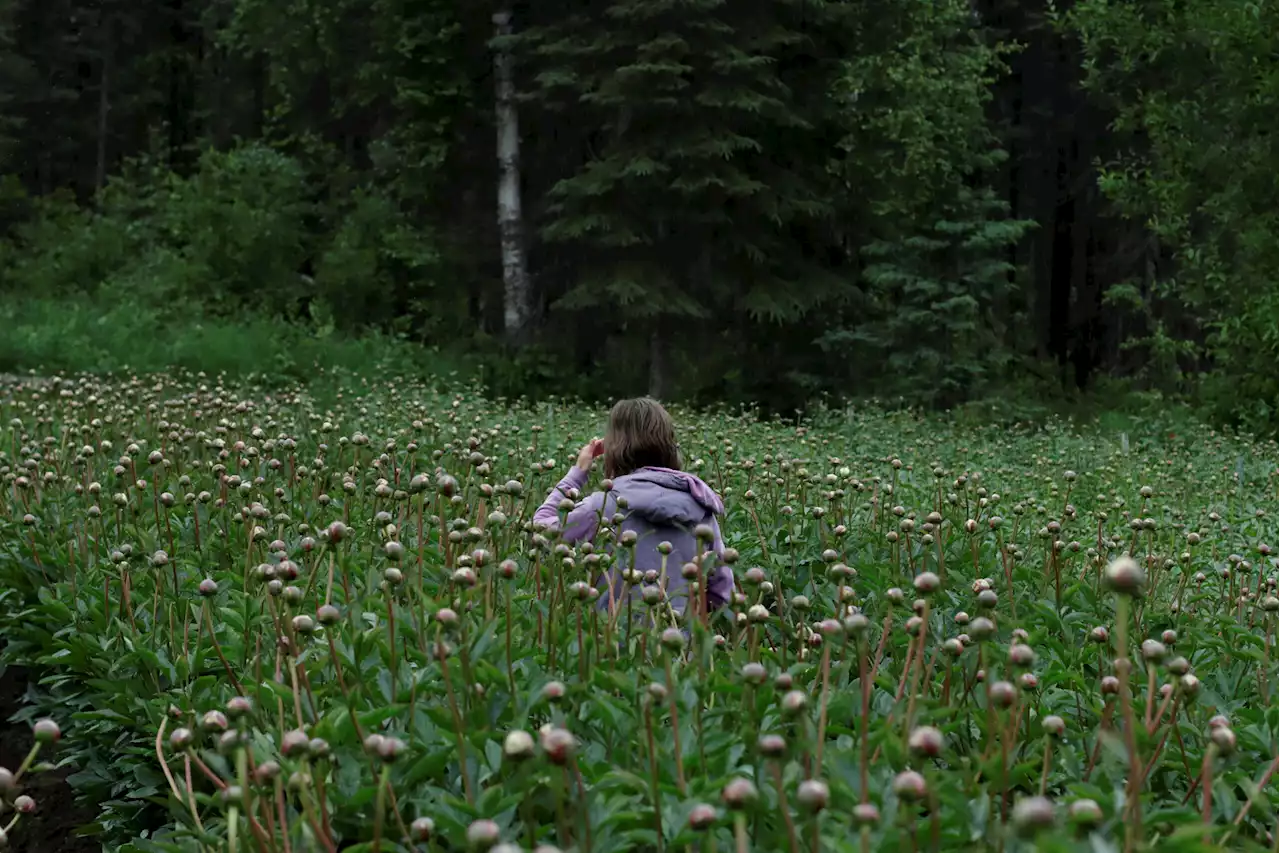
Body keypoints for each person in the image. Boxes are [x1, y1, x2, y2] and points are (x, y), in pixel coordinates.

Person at [532, 397, 734, 620]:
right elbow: (721, 593)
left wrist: (577, 473)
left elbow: (542, 532)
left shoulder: (602, 506)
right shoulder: (701, 507)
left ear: (614, 447)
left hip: (611, 643)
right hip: (682, 645)